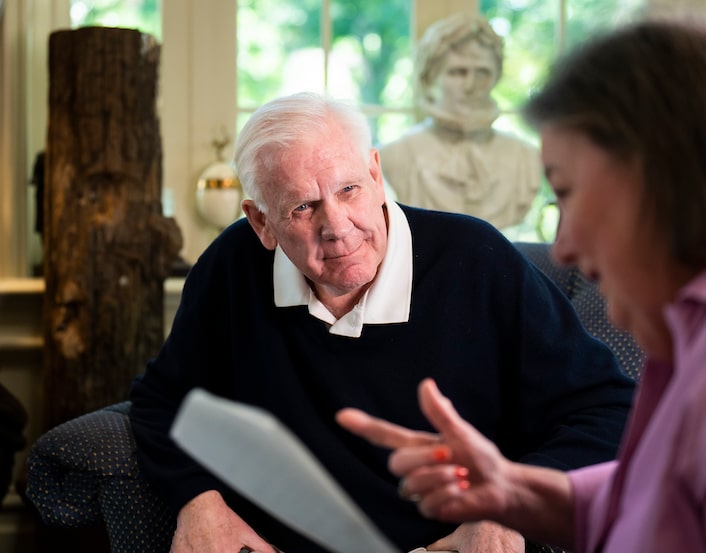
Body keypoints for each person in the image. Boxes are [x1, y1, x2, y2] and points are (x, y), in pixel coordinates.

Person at [337, 13, 706, 553]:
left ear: (663, 179)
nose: (563, 247)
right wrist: (515, 493)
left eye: (566, 193)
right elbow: (667, 501)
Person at [128, 91, 636, 553]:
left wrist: (509, 509)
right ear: (261, 221)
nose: (337, 226)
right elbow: (164, 401)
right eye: (304, 206)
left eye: (348, 189)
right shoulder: (232, 267)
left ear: (375, 173)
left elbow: (611, 412)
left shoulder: (480, 263)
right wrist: (199, 502)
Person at [379, 13, 541, 230]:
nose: (471, 85)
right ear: (429, 78)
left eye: (482, 72)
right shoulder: (394, 156)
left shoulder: (525, 157)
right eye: (457, 72)